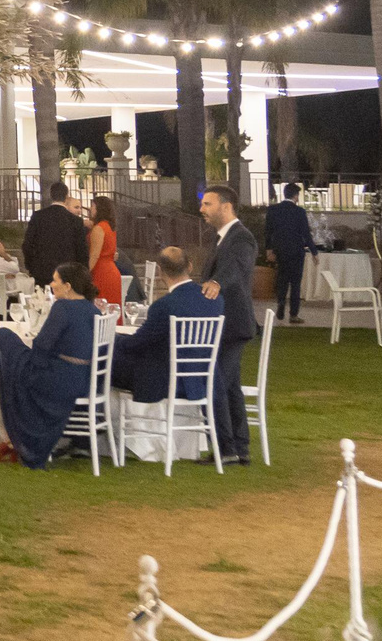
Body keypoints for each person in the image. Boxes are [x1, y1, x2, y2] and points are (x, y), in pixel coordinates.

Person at [0, 262, 98, 468]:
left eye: (55, 280)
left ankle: (17, 436)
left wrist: (33, 364)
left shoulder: (63, 307)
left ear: (68, 286)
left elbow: (42, 344)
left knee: (3, 336)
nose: (51, 284)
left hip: (58, 379)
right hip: (83, 379)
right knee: (16, 352)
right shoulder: (93, 310)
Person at [197, 184, 258, 463]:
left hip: (232, 325)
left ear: (226, 206)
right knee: (230, 386)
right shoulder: (221, 237)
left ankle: (226, 449)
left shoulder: (241, 238)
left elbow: (236, 268)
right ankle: (239, 448)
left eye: (207, 204)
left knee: (214, 383)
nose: (202, 209)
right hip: (224, 324)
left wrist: (217, 282)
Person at [110, 247, 218, 404]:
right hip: (201, 380)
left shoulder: (164, 306)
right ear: (190, 266)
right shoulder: (215, 300)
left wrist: (113, 339)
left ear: (160, 271)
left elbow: (137, 343)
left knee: (105, 360)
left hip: (167, 381)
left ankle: (99, 413)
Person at [22, 181, 89, 287]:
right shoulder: (75, 221)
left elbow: (28, 245)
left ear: (51, 195)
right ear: (66, 197)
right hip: (67, 273)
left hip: (42, 271)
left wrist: (31, 267)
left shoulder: (38, 217)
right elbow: (81, 250)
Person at [264, 184, 312, 325]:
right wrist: (314, 251)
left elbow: (268, 231)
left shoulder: (273, 210)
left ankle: (280, 303)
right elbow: (306, 233)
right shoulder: (299, 212)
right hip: (296, 251)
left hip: (280, 250)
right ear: (296, 196)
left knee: (282, 279)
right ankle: (293, 314)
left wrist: (269, 250)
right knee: (295, 283)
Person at [86, 197, 123, 306]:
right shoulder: (109, 226)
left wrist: (85, 272)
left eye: (93, 206)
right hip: (111, 269)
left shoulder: (99, 228)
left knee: (101, 306)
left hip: (101, 272)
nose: (90, 209)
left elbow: (94, 255)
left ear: (99, 209)